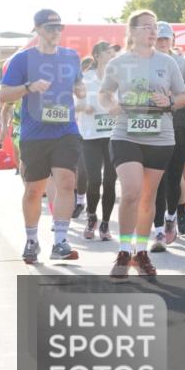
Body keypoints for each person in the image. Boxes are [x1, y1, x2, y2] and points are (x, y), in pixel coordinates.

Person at [100, 10, 185, 278]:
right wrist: (111, 105)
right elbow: (104, 93)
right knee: (131, 192)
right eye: (146, 28)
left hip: (160, 135)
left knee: (148, 197)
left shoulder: (168, 62)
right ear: (132, 32)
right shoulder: (118, 63)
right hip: (126, 133)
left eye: (154, 28)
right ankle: (124, 251)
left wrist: (171, 102)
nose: (153, 32)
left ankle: (141, 253)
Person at [0, 9, 86, 263]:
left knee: (67, 182)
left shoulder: (71, 57)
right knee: (34, 190)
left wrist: (80, 89)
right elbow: (3, 95)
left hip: (66, 130)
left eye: (59, 27)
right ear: (36, 30)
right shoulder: (22, 60)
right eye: (49, 28)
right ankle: (32, 240)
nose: (55, 32)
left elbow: (78, 85)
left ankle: (60, 241)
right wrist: (28, 87)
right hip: (35, 133)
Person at [147, 22, 185, 250]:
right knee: (156, 177)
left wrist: (175, 98)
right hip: (152, 123)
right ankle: (158, 230)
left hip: (178, 121)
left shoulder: (181, 63)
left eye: (166, 39)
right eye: (159, 38)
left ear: (173, 41)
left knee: (174, 176)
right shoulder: (143, 63)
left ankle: (171, 216)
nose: (162, 43)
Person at [76, 41, 119, 240]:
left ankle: (105, 225)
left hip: (113, 136)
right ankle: (92, 216)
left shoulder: (118, 79)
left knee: (110, 182)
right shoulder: (85, 78)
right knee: (94, 180)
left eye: (114, 53)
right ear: (97, 55)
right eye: (109, 52)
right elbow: (74, 104)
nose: (112, 55)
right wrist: (84, 107)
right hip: (91, 136)